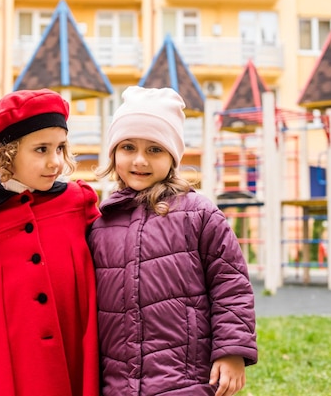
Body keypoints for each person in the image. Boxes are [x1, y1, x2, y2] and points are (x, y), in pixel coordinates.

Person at [88, 86, 258, 396]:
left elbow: (231, 284)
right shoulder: (100, 223)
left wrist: (232, 350)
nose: (140, 159)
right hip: (119, 381)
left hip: (185, 377)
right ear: (114, 153)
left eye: (154, 149)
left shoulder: (198, 214)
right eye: (128, 147)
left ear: (172, 157)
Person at [0, 88, 101, 396]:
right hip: (18, 360)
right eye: (41, 149)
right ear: (8, 154)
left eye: (60, 148)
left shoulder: (78, 202)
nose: (55, 161)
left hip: (76, 347)